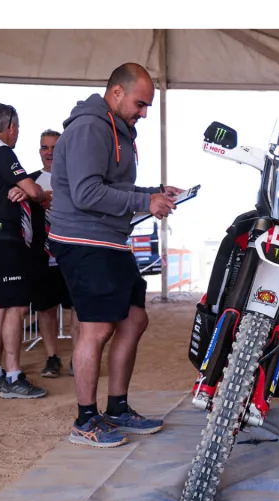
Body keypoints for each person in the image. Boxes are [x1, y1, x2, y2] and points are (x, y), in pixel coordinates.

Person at [48, 62, 181, 448]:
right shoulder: (92, 127)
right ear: (117, 93)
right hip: (85, 241)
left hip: (109, 240)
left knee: (134, 319)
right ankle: (85, 420)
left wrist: (155, 191)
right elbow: (88, 193)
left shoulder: (114, 128)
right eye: (141, 104)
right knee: (96, 328)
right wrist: (145, 201)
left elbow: (109, 184)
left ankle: (118, 409)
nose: (143, 112)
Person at [0, 103, 49, 399]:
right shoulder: (2, 152)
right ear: (11, 127)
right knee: (15, 307)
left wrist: (22, 188)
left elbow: (19, 188)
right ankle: (14, 376)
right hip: (4, 238)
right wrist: (39, 193)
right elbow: (32, 189)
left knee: (1, 306)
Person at [27, 128, 81, 378]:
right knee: (46, 310)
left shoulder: (77, 178)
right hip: (42, 258)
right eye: (44, 147)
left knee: (78, 310)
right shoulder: (30, 181)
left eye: (55, 147)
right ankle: (52, 357)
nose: (49, 153)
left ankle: (78, 359)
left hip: (73, 256)